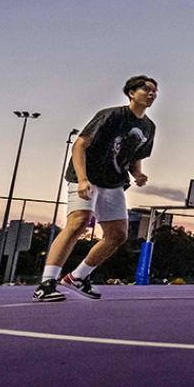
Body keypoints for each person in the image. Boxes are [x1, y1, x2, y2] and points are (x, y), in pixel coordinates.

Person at [34, 75, 157, 302]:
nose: (152, 94)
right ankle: (46, 283)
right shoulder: (111, 115)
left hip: (113, 181)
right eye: (146, 89)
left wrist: (137, 173)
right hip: (87, 176)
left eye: (154, 91)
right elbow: (80, 144)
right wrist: (82, 179)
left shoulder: (149, 127)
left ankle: (77, 277)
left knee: (118, 235)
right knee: (79, 221)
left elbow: (135, 156)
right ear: (131, 93)